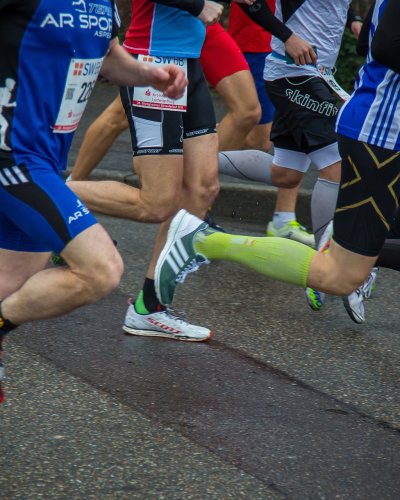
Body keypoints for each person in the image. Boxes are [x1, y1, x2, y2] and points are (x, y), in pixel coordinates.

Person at [154, 0, 400, 331]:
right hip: (296, 73)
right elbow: (251, 3)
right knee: (334, 168)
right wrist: (288, 36)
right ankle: (322, 263)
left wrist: (355, 20)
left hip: (317, 73)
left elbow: (368, 30)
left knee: (284, 173)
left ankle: (192, 164)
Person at [0, 0, 188, 402]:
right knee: (100, 269)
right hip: (11, 156)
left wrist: (147, 74)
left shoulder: (104, 2)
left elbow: (107, 55)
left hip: (46, 158)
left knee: (12, 280)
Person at [68, 0, 262, 343]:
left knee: (202, 189)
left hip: (190, 60)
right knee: (156, 203)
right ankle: (38, 189)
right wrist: (198, 5)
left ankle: (149, 307)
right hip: (152, 59)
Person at [228, 0, 314, 247]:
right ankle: (194, 171)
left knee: (298, 125)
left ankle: (283, 219)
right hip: (257, 41)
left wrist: (354, 18)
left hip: (301, 43)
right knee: (260, 138)